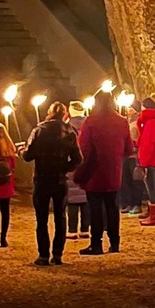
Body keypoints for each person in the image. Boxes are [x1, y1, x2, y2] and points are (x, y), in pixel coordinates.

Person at [72, 91, 134, 256]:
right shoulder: (121, 122)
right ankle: (114, 242)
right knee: (112, 207)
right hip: (114, 171)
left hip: (94, 171)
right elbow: (129, 148)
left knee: (96, 209)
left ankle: (96, 243)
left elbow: (84, 149)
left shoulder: (91, 122)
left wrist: (79, 170)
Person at [22, 101, 83, 266]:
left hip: (41, 178)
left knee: (41, 218)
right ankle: (57, 255)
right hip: (59, 179)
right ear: (64, 114)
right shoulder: (70, 131)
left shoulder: (39, 130)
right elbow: (78, 159)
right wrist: (64, 168)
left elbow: (27, 156)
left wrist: (22, 151)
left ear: (49, 112)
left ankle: (43, 255)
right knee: (60, 217)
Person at [136, 94, 155, 227]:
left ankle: (154, 217)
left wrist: (144, 161)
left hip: (151, 160)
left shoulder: (151, 123)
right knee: (154, 186)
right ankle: (153, 214)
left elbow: (149, 144)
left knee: (152, 187)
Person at [66, 101, 90, 240]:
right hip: (87, 165)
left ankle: (72, 229)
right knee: (85, 198)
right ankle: (85, 229)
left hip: (72, 165)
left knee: (72, 199)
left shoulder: (67, 128)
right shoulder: (90, 125)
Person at [119, 100, 145, 216]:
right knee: (126, 180)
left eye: (131, 108)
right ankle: (128, 203)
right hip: (125, 155)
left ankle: (137, 204)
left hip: (135, 155)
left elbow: (139, 138)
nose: (128, 110)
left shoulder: (138, 122)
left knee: (136, 181)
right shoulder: (125, 122)